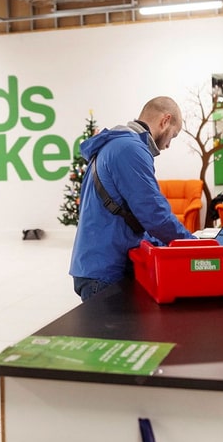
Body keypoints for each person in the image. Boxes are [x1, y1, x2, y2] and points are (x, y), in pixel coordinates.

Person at [69, 96, 196, 301]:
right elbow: (154, 215)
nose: (168, 145)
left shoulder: (116, 145)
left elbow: (131, 216)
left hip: (96, 265)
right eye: (173, 135)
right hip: (106, 272)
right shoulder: (130, 149)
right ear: (165, 121)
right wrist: (194, 246)